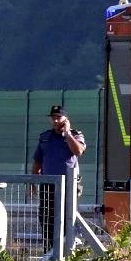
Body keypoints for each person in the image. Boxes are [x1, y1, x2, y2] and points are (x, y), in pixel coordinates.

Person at [31, 105, 86, 251]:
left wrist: (67, 134)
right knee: (47, 220)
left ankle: (67, 251)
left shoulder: (75, 135)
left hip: (69, 185)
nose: (55, 121)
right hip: (48, 185)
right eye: (53, 118)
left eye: (58, 117)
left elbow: (79, 151)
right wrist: (33, 182)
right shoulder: (45, 137)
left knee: (68, 219)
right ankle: (49, 253)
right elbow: (37, 161)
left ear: (66, 119)